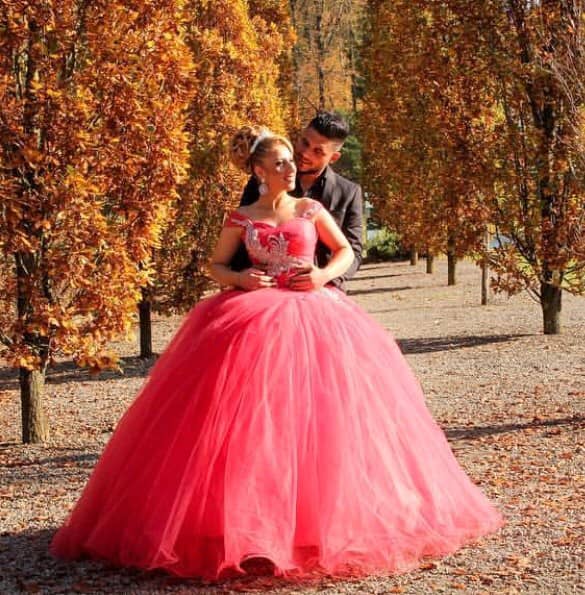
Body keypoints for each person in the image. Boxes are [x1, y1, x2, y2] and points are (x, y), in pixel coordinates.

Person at [50, 127, 503, 581]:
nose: (293, 167)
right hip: (251, 315)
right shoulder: (242, 216)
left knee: (323, 422)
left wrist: (323, 276)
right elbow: (216, 265)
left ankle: (320, 522)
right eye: (282, 161)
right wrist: (241, 281)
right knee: (246, 426)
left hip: (316, 314)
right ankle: (235, 525)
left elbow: (345, 249)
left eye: (292, 160)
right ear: (259, 170)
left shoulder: (311, 208)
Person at [230, 111, 363, 292]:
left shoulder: (348, 192)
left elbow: (352, 252)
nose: (305, 153)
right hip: (262, 294)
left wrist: (325, 277)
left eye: (318, 151)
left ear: (333, 158)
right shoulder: (262, 181)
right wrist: (242, 276)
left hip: (321, 295)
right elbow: (242, 235)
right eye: (304, 142)